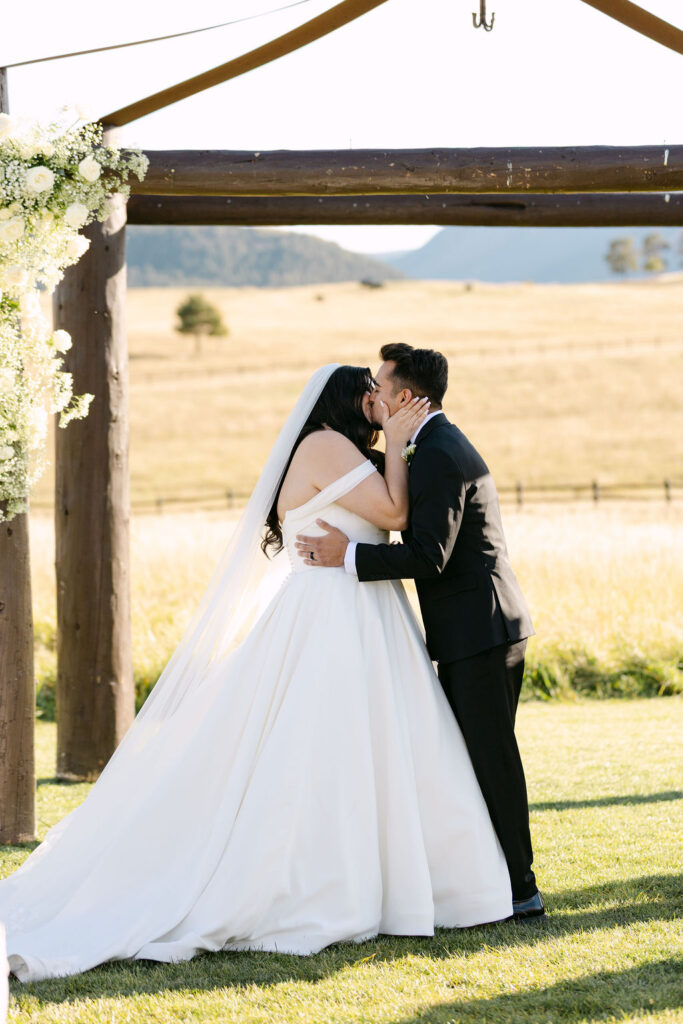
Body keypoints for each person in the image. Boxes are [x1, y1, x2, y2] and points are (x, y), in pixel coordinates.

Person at [0, 363, 513, 984]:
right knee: (318, 751)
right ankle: (320, 886)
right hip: (332, 615)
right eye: (370, 394)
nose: (379, 402)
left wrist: (397, 444)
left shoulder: (341, 450)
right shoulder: (324, 445)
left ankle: (403, 882)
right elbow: (397, 512)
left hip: (363, 613)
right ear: (348, 401)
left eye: (384, 393)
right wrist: (402, 445)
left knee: (372, 751)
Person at [296, 346, 544, 919]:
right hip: (474, 628)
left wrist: (347, 555)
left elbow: (428, 556)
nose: (375, 398)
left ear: (405, 397)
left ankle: (521, 887)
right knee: (477, 757)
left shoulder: (436, 453)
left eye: (381, 388)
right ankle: (500, 878)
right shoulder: (430, 446)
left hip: (479, 630)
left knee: (491, 758)